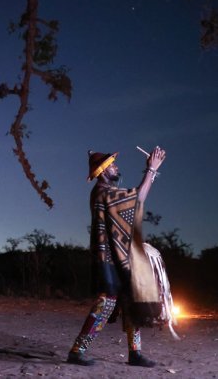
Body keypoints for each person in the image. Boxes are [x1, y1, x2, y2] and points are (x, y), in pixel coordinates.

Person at [67, 147, 167, 367]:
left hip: (115, 255)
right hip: (109, 257)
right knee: (106, 302)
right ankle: (77, 350)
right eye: (112, 165)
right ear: (103, 172)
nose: (116, 167)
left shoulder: (104, 192)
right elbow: (137, 199)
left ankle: (135, 353)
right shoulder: (103, 192)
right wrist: (151, 170)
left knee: (129, 300)